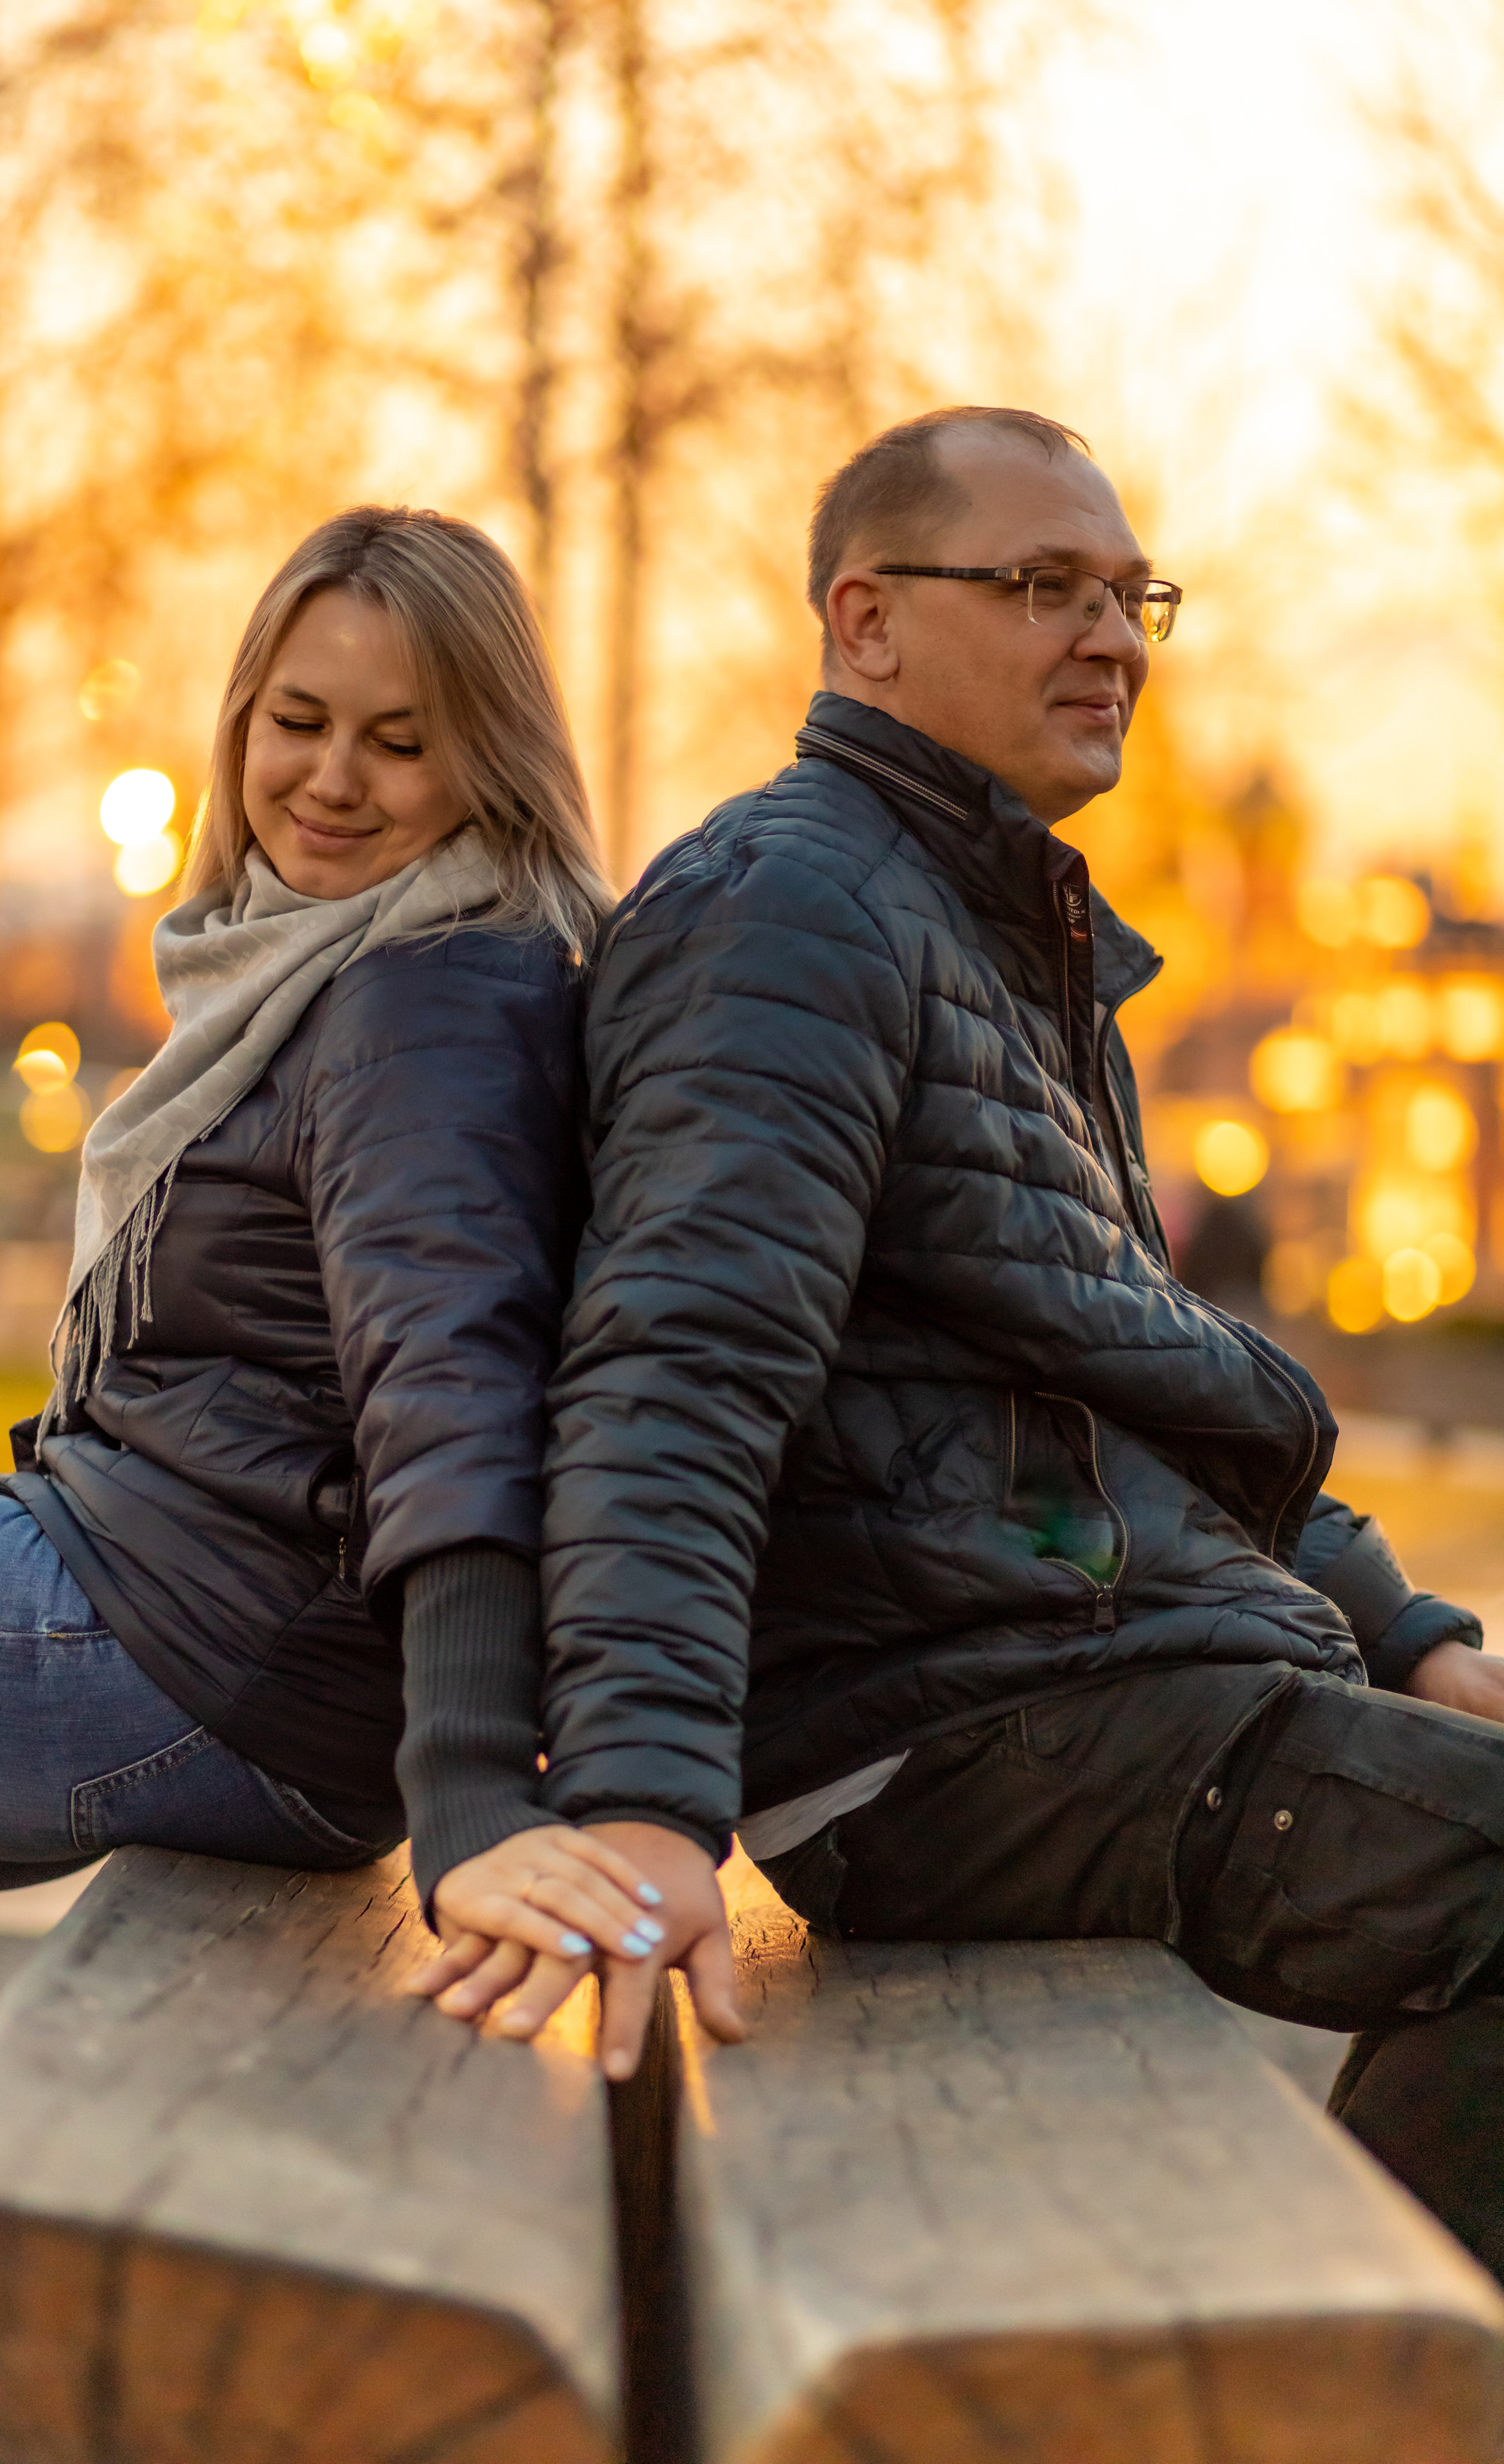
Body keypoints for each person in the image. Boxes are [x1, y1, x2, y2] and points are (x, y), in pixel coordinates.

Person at [419, 407, 1504, 2280]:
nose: (1111, 641)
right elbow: (677, 1376)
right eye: (1042, 586)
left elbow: (1128, 1373)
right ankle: (1342, 2376)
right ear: (865, 622)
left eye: (1130, 596)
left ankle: (1341, 2354)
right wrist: (651, 1803)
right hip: (944, 1736)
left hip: (1069, 1680)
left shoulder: (987, 931)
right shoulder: (791, 915)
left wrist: (1409, 1633)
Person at [0, 502, 673, 2004]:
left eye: (399, 743)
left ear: (486, 759)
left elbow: (455, 1380)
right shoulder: (344, 969)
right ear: (240, 722)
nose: (332, 779)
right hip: (201, 1639)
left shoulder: (426, 1002)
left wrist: (471, 1789)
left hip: (189, 1655)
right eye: (298, 723)